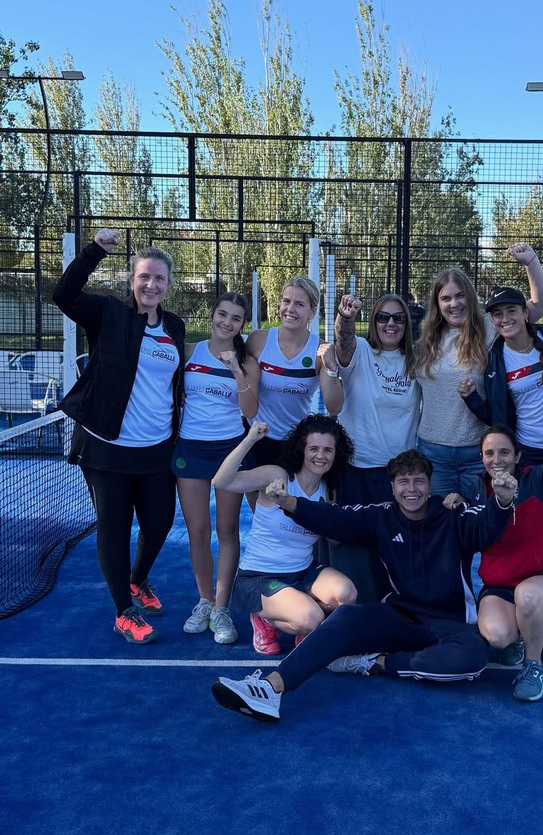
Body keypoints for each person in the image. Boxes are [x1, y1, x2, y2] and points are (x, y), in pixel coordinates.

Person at [211, 447, 521, 722]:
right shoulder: (381, 516)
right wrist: (288, 502)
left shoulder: (455, 515)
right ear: (392, 487)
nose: (411, 489)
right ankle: (270, 688)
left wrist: (503, 500)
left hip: (449, 624)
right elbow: (333, 517)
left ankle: (376, 663)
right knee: (348, 615)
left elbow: (486, 527)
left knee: (473, 658)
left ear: (430, 485)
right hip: (400, 617)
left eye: (419, 481)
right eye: (403, 482)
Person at [52, 228, 185, 644]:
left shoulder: (175, 327)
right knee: (113, 528)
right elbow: (64, 295)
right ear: (132, 280)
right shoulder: (107, 313)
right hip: (105, 447)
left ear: (168, 285)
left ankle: (137, 580)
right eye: (144, 276)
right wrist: (95, 250)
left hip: (157, 449)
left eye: (159, 278)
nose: (151, 285)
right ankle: (124, 612)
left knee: (159, 524)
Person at [457, 284, 543, 653]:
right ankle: (519, 609)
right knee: (522, 535)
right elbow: (499, 415)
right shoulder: (496, 358)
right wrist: (472, 400)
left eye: (511, 310)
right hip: (527, 456)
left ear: (525, 312)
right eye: (497, 314)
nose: (505, 318)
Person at [444, 403, 543, 703]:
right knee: (496, 635)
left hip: (541, 584)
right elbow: (471, 533)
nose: (497, 459)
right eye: (489, 453)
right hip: (499, 586)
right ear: (482, 458)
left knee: (527, 596)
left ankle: (534, 665)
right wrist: (454, 503)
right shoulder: (475, 490)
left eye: (504, 452)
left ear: (517, 456)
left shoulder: (536, 481)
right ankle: (518, 635)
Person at [414, 244, 543, 500]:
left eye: (460, 296)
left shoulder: (489, 328)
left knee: (479, 520)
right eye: (446, 298)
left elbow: (541, 304)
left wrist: (531, 262)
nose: (454, 303)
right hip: (433, 450)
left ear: (470, 296)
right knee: (437, 518)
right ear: (437, 303)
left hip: (478, 452)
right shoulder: (425, 341)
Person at [212, 414, 357, 656]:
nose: (320, 456)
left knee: (346, 594)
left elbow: (334, 538)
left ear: (336, 454)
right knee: (311, 617)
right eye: (313, 449)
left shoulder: (328, 490)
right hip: (259, 576)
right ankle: (265, 619)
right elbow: (221, 481)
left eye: (328, 450)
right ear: (301, 449)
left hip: (302, 572)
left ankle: (301, 623)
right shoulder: (277, 476)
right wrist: (250, 439)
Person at [173, 293, 259, 645]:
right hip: (190, 450)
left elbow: (250, 410)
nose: (227, 322)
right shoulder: (189, 352)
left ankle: (222, 608)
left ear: (242, 325)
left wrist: (236, 369)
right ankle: (205, 601)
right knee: (197, 531)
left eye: (236, 318)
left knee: (227, 530)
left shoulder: (247, 361)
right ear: (212, 316)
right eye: (222, 314)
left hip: (229, 452)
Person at [332, 291, 421, 601]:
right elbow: (343, 341)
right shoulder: (361, 352)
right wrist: (345, 318)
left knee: (394, 548)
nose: (390, 324)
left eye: (398, 318)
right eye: (383, 317)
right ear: (373, 321)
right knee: (354, 547)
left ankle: (392, 607)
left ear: (407, 324)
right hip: (355, 468)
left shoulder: (416, 360)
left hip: (395, 473)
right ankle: (354, 610)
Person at [244, 275, 343, 469]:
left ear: (312, 312)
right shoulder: (258, 340)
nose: (290, 309)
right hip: (254, 435)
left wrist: (332, 368)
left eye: (299, 304)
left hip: (294, 440)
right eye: (286, 301)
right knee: (254, 491)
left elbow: (334, 408)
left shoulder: (320, 351)